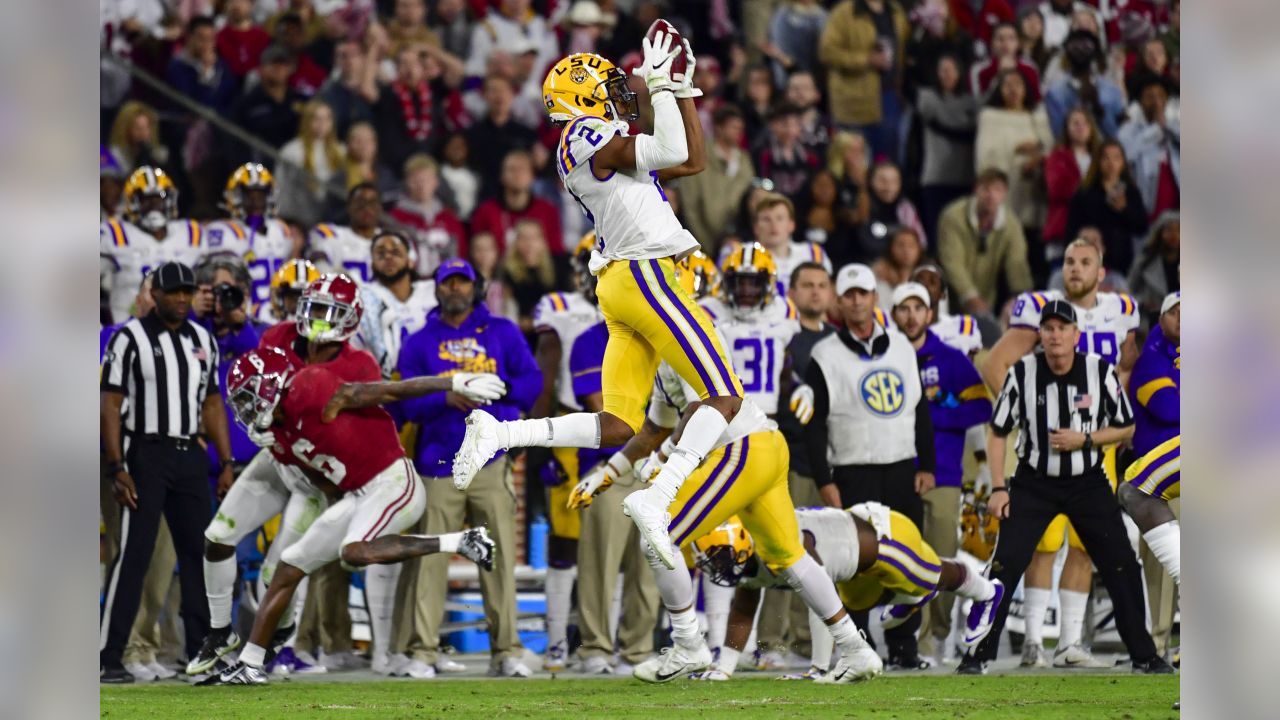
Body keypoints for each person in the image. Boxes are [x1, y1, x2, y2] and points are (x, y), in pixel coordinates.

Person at [452, 37, 749, 572]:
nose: (619, 96)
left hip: (628, 280)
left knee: (617, 425)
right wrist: (659, 86)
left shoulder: (602, 147)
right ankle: (658, 499)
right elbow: (671, 152)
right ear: (582, 100)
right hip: (647, 273)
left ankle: (499, 432)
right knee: (724, 397)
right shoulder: (587, 134)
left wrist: (679, 92)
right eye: (609, 89)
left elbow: (694, 159)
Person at [568, 263, 885, 684]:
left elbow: (708, 407)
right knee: (789, 557)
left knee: (658, 530)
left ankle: (687, 644)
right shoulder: (664, 344)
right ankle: (855, 648)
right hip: (763, 445)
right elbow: (653, 428)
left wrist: (667, 456)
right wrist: (608, 471)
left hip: (742, 447)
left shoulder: (692, 332)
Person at [197, 346, 500, 685]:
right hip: (357, 494)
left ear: (271, 386)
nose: (246, 408)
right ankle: (251, 664)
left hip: (393, 480)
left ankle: (460, 541)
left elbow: (387, 390)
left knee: (352, 552)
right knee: (290, 563)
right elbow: (322, 481)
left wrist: (453, 382)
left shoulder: (310, 388)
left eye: (249, 397)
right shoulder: (278, 432)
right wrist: (278, 449)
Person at [959, 300, 1172, 676]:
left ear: (1076, 335)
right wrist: (997, 487)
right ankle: (978, 654)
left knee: (1120, 561)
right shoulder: (1023, 371)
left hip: (1086, 481)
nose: (1055, 335)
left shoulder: (1099, 371)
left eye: (1063, 328)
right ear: (1040, 335)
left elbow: (1125, 426)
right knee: (1005, 564)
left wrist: (1085, 440)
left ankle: (1144, 654)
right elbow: (998, 431)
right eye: (1049, 328)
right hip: (1033, 482)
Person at [980, 236, 1139, 667]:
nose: (1075, 268)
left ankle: (1070, 643)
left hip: (1093, 444)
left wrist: (1101, 426)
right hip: (1043, 445)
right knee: (1041, 545)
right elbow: (995, 364)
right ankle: (1033, 639)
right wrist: (1029, 413)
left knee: (1087, 546)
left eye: (1085, 261)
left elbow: (1125, 369)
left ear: (1101, 271)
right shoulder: (1041, 308)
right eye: (1069, 260)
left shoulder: (1121, 310)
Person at [393, 259, 543, 678]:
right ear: (437, 289)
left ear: (476, 287)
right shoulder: (420, 341)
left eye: (462, 282)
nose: (455, 288)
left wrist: (495, 393)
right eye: (448, 282)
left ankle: (507, 651)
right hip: (437, 462)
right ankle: (422, 652)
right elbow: (406, 403)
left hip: (491, 461)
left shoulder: (503, 332)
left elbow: (531, 383)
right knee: (430, 561)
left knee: (498, 560)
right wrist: (447, 396)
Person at [100, 262, 236, 683]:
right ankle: (110, 655)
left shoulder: (203, 339)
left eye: (186, 291)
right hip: (146, 453)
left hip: (189, 455)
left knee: (200, 554)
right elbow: (110, 403)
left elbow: (213, 403)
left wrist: (226, 461)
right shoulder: (130, 337)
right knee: (134, 556)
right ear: (153, 294)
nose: (180, 298)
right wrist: (117, 465)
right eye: (172, 291)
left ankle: (200, 653)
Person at [689, 502, 1002, 681]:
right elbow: (743, 611)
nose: (716, 566)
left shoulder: (778, 545)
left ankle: (987, 592)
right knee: (856, 600)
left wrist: (818, 669)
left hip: (883, 536)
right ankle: (911, 599)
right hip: (851, 569)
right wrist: (724, 669)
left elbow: (819, 599)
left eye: (719, 557)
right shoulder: (749, 556)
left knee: (930, 577)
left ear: (742, 545)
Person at [800, 263, 937, 669]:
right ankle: (857, 648)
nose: (858, 300)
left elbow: (921, 410)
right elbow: (813, 426)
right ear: (839, 302)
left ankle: (904, 647)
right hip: (853, 470)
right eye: (850, 294)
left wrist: (926, 463)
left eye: (864, 293)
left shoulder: (901, 347)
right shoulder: (822, 355)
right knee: (854, 564)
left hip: (900, 468)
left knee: (909, 560)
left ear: (876, 298)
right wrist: (825, 480)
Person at [889, 282, 993, 663]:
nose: (912, 315)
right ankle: (900, 642)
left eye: (920, 307)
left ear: (930, 314)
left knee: (940, 558)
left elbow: (982, 407)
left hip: (945, 474)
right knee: (896, 558)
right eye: (904, 307)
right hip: (895, 471)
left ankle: (937, 638)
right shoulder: (885, 354)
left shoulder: (950, 359)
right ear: (894, 313)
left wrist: (932, 418)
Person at [526, 235, 606, 671]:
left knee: (613, 546)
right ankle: (557, 644)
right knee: (565, 544)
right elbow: (547, 366)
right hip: (573, 428)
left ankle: (602, 644)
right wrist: (541, 446)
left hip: (629, 425)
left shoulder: (636, 303)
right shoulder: (560, 307)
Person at [755, 261, 836, 666]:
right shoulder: (782, 336)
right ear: (793, 291)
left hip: (825, 462)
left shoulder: (838, 342)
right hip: (783, 456)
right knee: (780, 552)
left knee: (819, 555)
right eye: (808, 285)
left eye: (822, 285)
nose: (816, 292)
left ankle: (809, 640)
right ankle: (772, 641)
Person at [1119, 292, 1180, 585]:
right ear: (1161, 320)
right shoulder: (1153, 359)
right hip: (1166, 470)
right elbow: (1168, 408)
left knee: (1134, 489)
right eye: (1175, 312)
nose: (1183, 319)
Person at [100, 167, 208, 324]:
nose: (154, 205)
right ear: (131, 203)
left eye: (159, 198)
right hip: (129, 332)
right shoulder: (114, 234)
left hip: (182, 331)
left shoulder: (191, 233)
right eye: (145, 200)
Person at [974, 69, 1053, 272]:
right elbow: (984, 156)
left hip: (1031, 193)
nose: (1013, 89)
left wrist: (1037, 156)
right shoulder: (989, 117)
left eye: (1018, 84)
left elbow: (1051, 151)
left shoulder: (1038, 118)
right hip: (1004, 192)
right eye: (1007, 85)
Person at [818, 0, 910, 163]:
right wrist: (867, 59)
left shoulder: (896, 12)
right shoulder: (844, 12)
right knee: (853, 162)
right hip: (853, 102)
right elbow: (827, 52)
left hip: (889, 97)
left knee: (887, 160)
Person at [936, 168, 1033, 318]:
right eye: (986, 189)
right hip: (949, 298)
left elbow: (1017, 264)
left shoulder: (1011, 223)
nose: (991, 195)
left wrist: (1021, 298)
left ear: (1005, 194)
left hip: (987, 301)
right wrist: (970, 296)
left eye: (997, 190)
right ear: (976, 190)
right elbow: (952, 263)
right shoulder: (953, 216)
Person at [205, 163, 304, 309]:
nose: (256, 202)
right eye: (249, 196)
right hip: (244, 313)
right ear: (235, 197)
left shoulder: (281, 230)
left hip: (278, 312)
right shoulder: (224, 232)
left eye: (261, 196)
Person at [916, 53, 978, 244]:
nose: (947, 74)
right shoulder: (927, 97)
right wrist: (965, 122)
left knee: (961, 236)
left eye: (951, 70)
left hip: (964, 178)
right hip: (935, 178)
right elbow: (938, 120)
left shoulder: (970, 101)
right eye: (943, 70)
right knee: (936, 235)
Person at [357, 232, 438, 378]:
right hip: (386, 385)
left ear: (411, 261)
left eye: (395, 252)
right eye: (380, 253)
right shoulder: (364, 299)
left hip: (435, 377)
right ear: (372, 264)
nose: (388, 257)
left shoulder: (433, 291)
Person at [679, 105, 756, 255]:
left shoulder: (744, 160)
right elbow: (691, 208)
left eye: (741, 129)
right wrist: (706, 247)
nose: (739, 133)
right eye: (734, 128)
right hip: (704, 242)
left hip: (738, 242)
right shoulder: (698, 157)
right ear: (719, 128)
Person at [1065, 140, 1148, 277]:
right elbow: (1071, 230)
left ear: (1123, 162)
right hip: (1090, 262)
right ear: (1097, 161)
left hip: (1122, 263)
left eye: (1116, 158)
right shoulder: (1084, 192)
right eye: (1105, 157)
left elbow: (1142, 227)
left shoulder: (1131, 191)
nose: (1111, 163)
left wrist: (1124, 209)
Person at [469, 149, 565, 256]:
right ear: (502, 176)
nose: (518, 174)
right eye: (512, 169)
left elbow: (556, 252)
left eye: (523, 169)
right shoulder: (485, 212)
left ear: (532, 176)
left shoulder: (548, 211)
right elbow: (477, 252)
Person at [733, 193, 833, 296]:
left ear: (791, 225)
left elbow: (828, 295)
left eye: (779, 218)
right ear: (756, 227)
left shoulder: (813, 253)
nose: (773, 225)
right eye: (766, 219)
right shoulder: (743, 256)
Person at [466, 76, 541, 201]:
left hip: (520, 198)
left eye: (504, 90)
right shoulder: (472, 134)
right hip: (485, 199)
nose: (499, 96)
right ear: (484, 96)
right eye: (493, 90)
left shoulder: (527, 134)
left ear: (512, 95)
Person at [388, 154, 466, 276]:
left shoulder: (449, 219)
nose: (421, 185)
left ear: (435, 182)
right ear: (406, 182)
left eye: (426, 179)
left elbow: (460, 256)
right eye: (415, 180)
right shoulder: (395, 218)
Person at [1117, 74, 1180, 221]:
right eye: (1150, 97)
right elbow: (1126, 154)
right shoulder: (1128, 130)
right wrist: (1156, 128)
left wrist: (1167, 127)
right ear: (1140, 102)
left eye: (1160, 96)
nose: (1157, 102)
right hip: (1147, 203)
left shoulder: (1174, 126)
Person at [1043, 29, 1125, 139]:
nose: (1080, 50)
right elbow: (1058, 134)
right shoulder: (1055, 92)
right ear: (1067, 51)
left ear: (1095, 51)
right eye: (1075, 46)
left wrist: (1098, 109)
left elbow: (1118, 135)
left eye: (1086, 45)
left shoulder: (1112, 90)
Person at [276, 99, 345, 228]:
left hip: (331, 220)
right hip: (298, 220)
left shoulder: (341, 151)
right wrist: (282, 216)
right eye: (317, 119)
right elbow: (281, 187)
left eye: (327, 119)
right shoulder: (292, 151)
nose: (322, 124)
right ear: (307, 121)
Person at [1044, 107, 1103, 251]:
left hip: (1096, 228)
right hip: (1064, 226)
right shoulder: (1058, 156)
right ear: (1067, 128)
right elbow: (1057, 189)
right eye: (1075, 123)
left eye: (1085, 123)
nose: (1080, 127)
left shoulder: (1100, 158)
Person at [502, 221, 571, 337]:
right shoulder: (507, 273)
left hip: (556, 334)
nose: (529, 243)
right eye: (524, 238)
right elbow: (509, 316)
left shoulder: (559, 267)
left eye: (534, 238)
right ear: (516, 243)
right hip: (522, 338)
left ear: (543, 242)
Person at [307, 182, 387, 282]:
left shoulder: (393, 242)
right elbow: (318, 265)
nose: (367, 208)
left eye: (372, 202)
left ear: (380, 208)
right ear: (349, 207)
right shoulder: (331, 234)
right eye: (360, 202)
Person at [166, 15, 239, 116]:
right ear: (189, 37)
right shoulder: (176, 67)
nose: (206, 44)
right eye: (201, 38)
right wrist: (206, 73)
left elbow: (228, 99)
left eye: (211, 39)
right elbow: (191, 105)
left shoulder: (222, 67)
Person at [857, 161, 928, 261]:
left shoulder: (906, 207)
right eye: (882, 181)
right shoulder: (861, 205)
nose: (889, 187)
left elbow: (921, 244)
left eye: (894, 181)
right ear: (870, 181)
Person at [753, 103, 821, 202]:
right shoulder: (763, 153)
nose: (790, 130)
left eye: (795, 124)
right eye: (784, 124)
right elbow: (760, 184)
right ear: (773, 125)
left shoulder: (810, 155)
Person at [968, 22, 1042, 105]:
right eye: (1000, 39)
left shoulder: (1030, 68)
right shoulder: (979, 69)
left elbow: (1038, 103)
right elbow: (976, 104)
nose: (1005, 44)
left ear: (1018, 43)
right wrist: (999, 76)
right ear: (992, 43)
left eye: (1011, 39)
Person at [1128, 211, 1179, 325]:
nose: (1174, 235)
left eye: (1179, 230)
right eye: (1169, 229)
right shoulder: (1145, 262)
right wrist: (1142, 302)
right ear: (1159, 232)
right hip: (1151, 322)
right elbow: (1129, 290)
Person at [872, 226, 925, 306]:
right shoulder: (879, 273)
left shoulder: (929, 276)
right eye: (900, 245)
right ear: (891, 248)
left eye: (911, 245)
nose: (906, 251)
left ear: (919, 249)